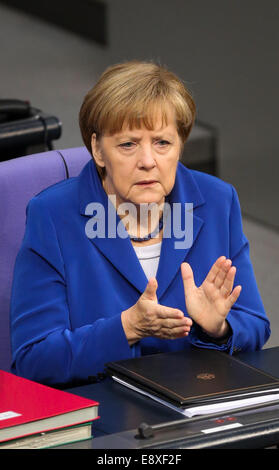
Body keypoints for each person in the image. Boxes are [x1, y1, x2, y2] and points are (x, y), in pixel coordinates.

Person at [10, 61, 270, 386]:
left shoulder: (218, 201)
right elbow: (34, 360)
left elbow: (256, 324)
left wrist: (218, 328)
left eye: (163, 142)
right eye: (128, 144)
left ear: (180, 146)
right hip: (105, 411)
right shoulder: (52, 215)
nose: (148, 161)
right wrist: (127, 327)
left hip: (196, 399)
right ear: (98, 150)